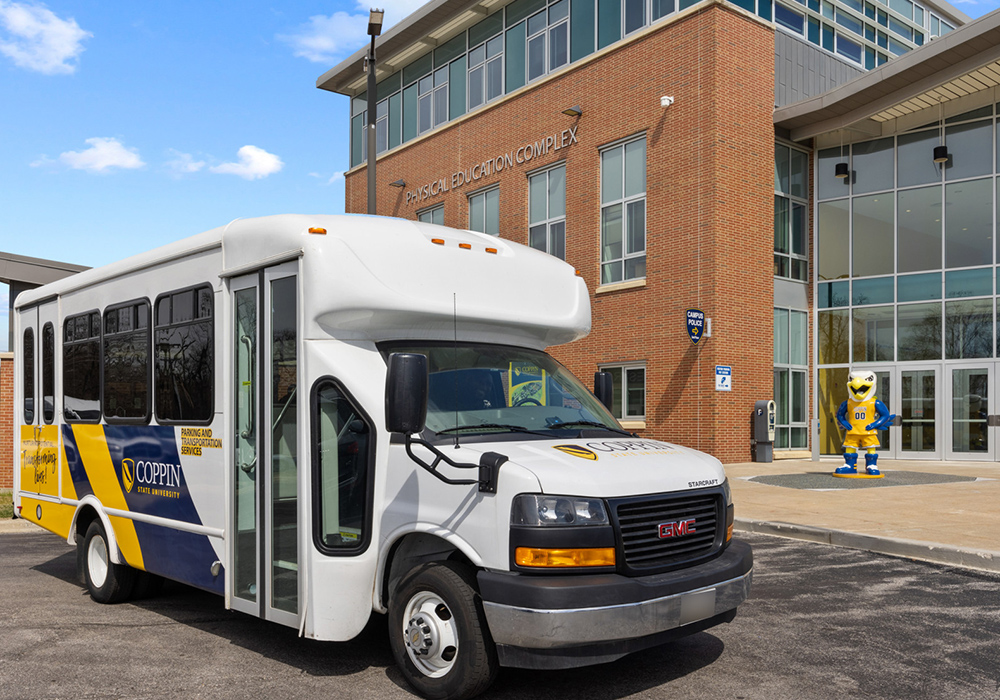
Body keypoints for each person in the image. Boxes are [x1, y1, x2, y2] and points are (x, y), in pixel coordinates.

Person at [835, 370, 895, 477]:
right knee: (850, 447)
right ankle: (849, 466)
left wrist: (875, 424)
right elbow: (840, 415)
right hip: (853, 431)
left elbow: (885, 415)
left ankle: (871, 465)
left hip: (869, 431)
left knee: (871, 448)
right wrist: (844, 422)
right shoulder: (848, 402)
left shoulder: (874, 402)